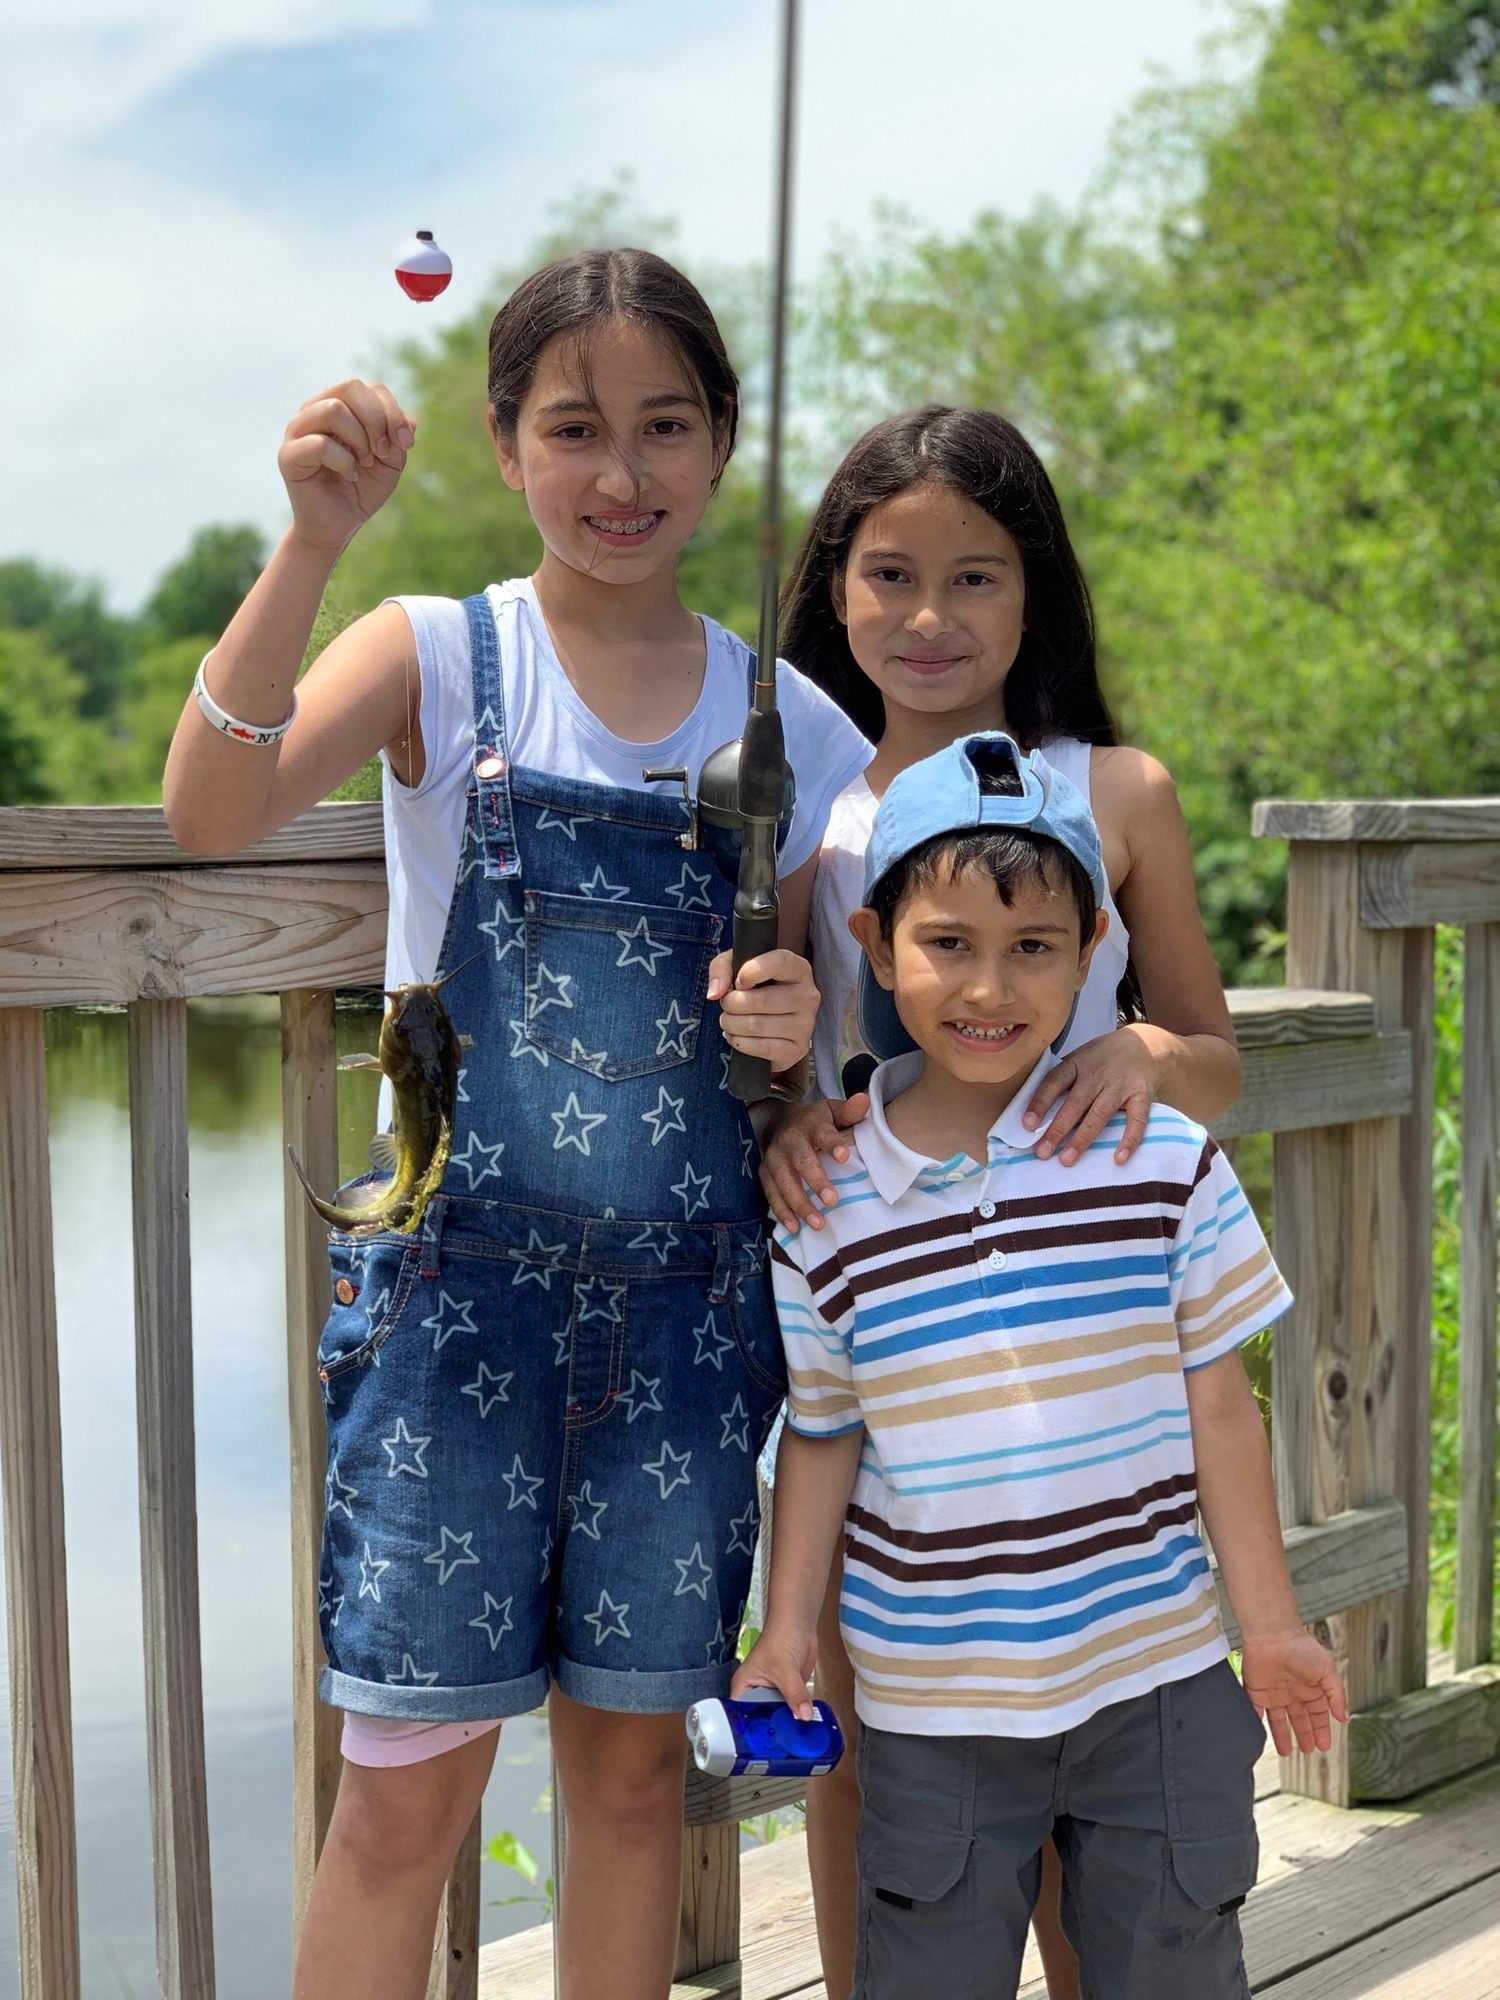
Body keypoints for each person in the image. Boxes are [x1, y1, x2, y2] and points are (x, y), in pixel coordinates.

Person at [162, 248, 871, 2000]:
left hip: (691, 1339)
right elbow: (211, 809)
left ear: (717, 449)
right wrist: (316, 540)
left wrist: (793, 1034)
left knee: (634, 1788)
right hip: (448, 1316)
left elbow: (878, 1024)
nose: (621, 474)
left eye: (665, 427)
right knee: (401, 1801)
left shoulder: (799, 722)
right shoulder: (438, 655)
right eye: (575, 428)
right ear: (503, 444)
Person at [737, 732, 1347, 2000]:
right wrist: (785, 1633)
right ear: (874, 937)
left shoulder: (1159, 1158)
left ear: (1093, 951)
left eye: (1034, 947)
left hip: (1158, 1679)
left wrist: (1273, 1628)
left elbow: (1223, 1413)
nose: (989, 985)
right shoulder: (825, 1193)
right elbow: (823, 1432)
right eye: (947, 941)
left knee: (1171, 1966)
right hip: (934, 1704)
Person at [757, 406, 1242, 2000]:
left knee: (1098, 1758)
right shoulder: (807, 819)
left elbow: (1219, 1060)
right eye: (888, 574)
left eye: (975, 576)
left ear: (1034, 594)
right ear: (835, 589)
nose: (928, 617)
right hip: (898, 1358)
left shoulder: (1123, 788)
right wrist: (779, 1123)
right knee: (887, 1741)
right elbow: (792, 1057)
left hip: (1095, 1346)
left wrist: (1150, 1055)